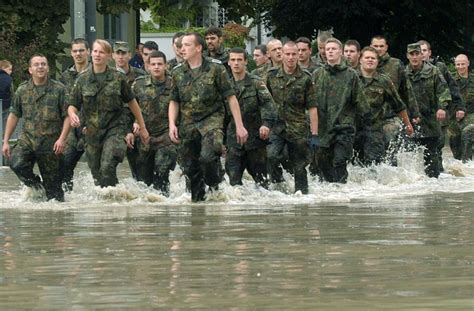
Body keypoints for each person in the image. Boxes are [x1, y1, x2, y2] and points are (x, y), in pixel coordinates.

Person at [168, 32, 248, 202]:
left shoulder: (216, 68)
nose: (182, 49)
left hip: (211, 121)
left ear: (198, 48)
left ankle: (216, 186)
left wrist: (239, 126)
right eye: (181, 46)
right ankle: (199, 207)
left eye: (187, 45)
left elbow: (230, 97)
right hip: (188, 125)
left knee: (207, 157)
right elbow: (174, 101)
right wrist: (171, 124)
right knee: (190, 168)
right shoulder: (177, 72)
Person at [68, 39, 150, 188]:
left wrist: (142, 127)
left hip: (115, 130)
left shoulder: (118, 78)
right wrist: (73, 114)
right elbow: (73, 104)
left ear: (108, 56)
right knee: (97, 175)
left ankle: (113, 199)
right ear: (91, 53)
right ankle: (114, 199)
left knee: (107, 167)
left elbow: (132, 103)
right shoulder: (82, 79)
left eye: (102, 52)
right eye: (95, 51)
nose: (98, 55)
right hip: (92, 132)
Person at [2, 54, 70, 201]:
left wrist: (62, 139)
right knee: (15, 162)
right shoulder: (22, 90)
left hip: (51, 144)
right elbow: (14, 115)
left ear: (48, 68)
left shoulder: (59, 89)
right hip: (28, 141)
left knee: (55, 197)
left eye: (43, 64)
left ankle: (56, 218)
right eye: (36, 64)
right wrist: (6, 140)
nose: (40, 67)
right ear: (30, 69)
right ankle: (37, 187)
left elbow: (67, 116)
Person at [312, 38, 370, 183]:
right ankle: (330, 195)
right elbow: (310, 101)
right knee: (322, 163)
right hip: (323, 128)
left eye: (333, 48)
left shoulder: (351, 75)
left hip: (344, 128)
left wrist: (364, 128)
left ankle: (342, 194)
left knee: (339, 161)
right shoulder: (318, 74)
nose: (330, 51)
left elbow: (361, 103)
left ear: (340, 52)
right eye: (327, 49)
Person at [266, 41, 318, 194]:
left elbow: (313, 108)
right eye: (287, 54)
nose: (290, 57)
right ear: (282, 55)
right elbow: (264, 102)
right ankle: (279, 187)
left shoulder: (306, 78)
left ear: (298, 55)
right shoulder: (271, 76)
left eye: (293, 54)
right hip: (277, 127)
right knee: (271, 156)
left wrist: (314, 134)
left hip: (298, 128)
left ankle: (302, 195)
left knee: (299, 166)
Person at [226, 47, 277, 188]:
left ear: (246, 62)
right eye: (233, 60)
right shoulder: (225, 85)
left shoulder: (256, 82)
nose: (236, 63)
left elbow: (269, 105)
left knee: (262, 183)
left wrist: (266, 124)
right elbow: (221, 113)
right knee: (233, 181)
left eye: (239, 60)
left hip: (255, 139)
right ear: (229, 62)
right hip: (233, 140)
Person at [354, 47, 413, 165]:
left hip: (375, 130)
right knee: (353, 165)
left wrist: (408, 125)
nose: (370, 60)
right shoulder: (351, 78)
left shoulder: (384, 81)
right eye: (367, 57)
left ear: (377, 62)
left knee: (373, 166)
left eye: (373, 58)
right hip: (353, 130)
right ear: (360, 60)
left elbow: (399, 105)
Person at [405, 43, 457, 178]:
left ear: (422, 55)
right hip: (411, 119)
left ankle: (433, 184)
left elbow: (443, 91)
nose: (415, 57)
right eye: (412, 54)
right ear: (407, 56)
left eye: (417, 54)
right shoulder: (404, 73)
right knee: (409, 153)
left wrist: (442, 107)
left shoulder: (433, 71)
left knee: (432, 155)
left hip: (430, 118)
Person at [132, 51, 177, 196]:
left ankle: (165, 204)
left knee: (161, 171)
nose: (156, 67)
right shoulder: (138, 85)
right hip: (145, 136)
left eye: (160, 64)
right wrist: (134, 124)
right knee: (144, 181)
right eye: (153, 64)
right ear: (148, 66)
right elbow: (129, 108)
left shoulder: (174, 84)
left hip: (166, 136)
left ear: (165, 65)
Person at [371, 35, 420, 154]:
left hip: (392, 114)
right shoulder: (367, 63)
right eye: (375, 46)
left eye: (381, 46)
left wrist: (414, 113)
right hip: (372, 116)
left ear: (386, 47)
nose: (378, 49)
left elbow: (407, 90)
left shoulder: (396, 65)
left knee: (390, 141)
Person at [419, 40, 465, 162]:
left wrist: (460, 107)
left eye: (424, 50)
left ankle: (437, 173)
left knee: (437, 144)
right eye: (419, 50)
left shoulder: (440, 68)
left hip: (440, 113)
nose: (422, 53)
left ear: (429, 52)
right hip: (420, 114)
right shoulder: (409, 70)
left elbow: (453, 87)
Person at [59, 38, 91, 191]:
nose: (78, 54)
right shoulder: (65, 76)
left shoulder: (97, 73)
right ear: (71, 53)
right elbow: (62, 103)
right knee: (65, 165)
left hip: (93, 127)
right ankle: (68, 200)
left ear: (88, 52)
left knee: (101, 168)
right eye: (75, 51)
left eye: (81, 50)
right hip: (72, 128)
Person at [112, 41, 147, 180]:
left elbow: (145, 101)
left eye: (124, 53)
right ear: (113, 55)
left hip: (135, 123)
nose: (121, 57)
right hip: (114, 124)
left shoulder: (140, 75)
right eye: (118, 53)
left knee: (140, 167)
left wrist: (138, 122)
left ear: (129, 55)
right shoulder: (108, 75)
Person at [454, 54, 474, 162]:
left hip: (471, 115)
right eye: (458, 64)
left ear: (468, 64)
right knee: (454, 140)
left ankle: (467, 163)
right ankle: (459, 169)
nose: (460, 67)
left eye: (463, 64)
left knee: (468, 131)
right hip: (454, 116)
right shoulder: (450, 80)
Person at [0, 59, 13, 128]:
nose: (11, 72)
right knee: (4, 125)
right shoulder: (9, 79)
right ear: (3, 68)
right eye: (10, 69)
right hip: (5, 105)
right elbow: (12, 92)